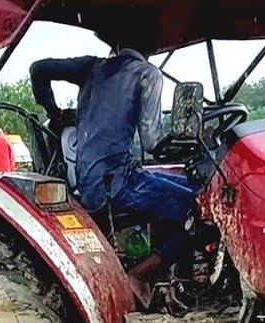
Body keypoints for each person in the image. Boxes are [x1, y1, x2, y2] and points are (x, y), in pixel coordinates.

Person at [30, 40, 196, 304]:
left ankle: (168, 281)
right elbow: (152, 143)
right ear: (152, 45)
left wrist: (55, 113)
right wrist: (190, 144)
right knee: (199, 206)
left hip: (90, 182)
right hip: (118, 182)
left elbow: (38, 69)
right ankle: (142, 274)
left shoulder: (91, 67)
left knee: (182, 187)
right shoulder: (146, 74)